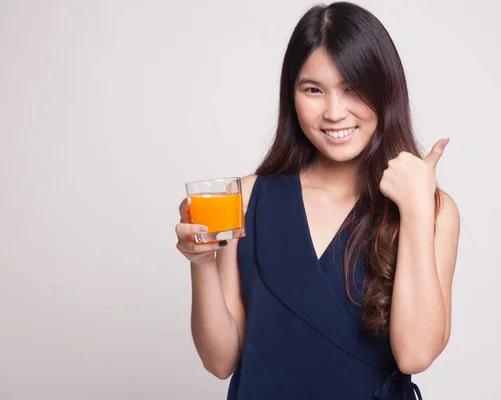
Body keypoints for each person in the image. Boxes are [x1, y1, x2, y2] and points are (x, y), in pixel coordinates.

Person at [175, 2, 460, 399]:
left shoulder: (433, 210)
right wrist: (202, 263)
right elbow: (220, 361)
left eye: (353, 88)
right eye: (313, 89)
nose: (334, 112)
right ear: (291, 95)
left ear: (385, 91)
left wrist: (414, 209)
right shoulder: (248, 197)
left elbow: (415, 354)